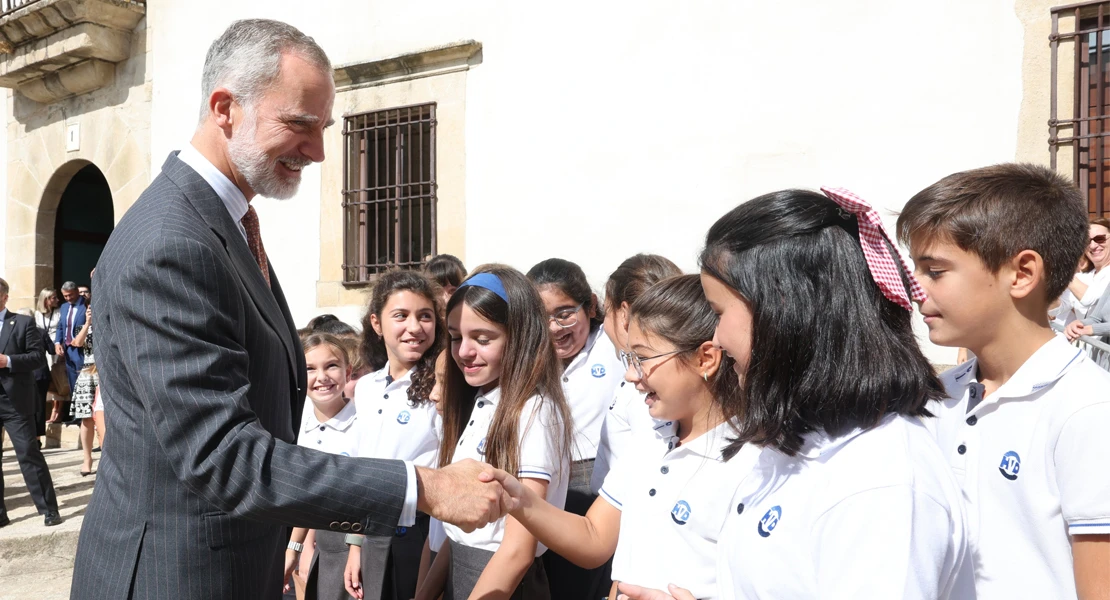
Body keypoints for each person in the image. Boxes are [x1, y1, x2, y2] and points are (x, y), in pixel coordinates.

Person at [71, 19, 511, 600]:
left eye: (325, 128)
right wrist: (423, 487)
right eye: (300, 125)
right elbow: (224, 457)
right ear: (225, 107)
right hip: (176, 576)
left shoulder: (219, 223)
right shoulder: (171, 243)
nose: (320, 151)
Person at [620, 187, 973, 600]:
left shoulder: (879, 479)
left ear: (785, 309)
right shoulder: (805, 442)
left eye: (719, 314)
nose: (715, 337)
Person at [898, 164, 1110, 600]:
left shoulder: (1087, 408)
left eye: (935, 271)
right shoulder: (938, 397)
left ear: (1022, 273)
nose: (915, 288)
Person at [487, 274, 758, 600]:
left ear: (705, 359)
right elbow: (594, 537)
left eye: (641, 358)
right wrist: (519, 499)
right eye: (628, 359)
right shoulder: (651, 438)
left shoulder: (753, 463)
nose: (631, 375)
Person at [415, 266, 574, 600]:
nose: (464, 352)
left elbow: (517, 550)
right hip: (463, 571)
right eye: (457, 337)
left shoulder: (533, 411)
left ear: (520, 335)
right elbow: (461, 531)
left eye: (483, 339)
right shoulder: (483, 400)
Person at [526, 258, 625, 600]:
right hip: (543, 485)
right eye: (543, 317)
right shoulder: (531, 360)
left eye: (565, 313)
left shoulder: (611, 347)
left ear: (591, 306)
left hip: (598, 485)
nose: (554, 327)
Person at [344, 270, 445, 600]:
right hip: (372, 534)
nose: (414, 328)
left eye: (425, 316)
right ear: (377, 323)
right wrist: (355, 545)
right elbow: (360, 468)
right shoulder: (367, 387)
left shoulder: (442, 389)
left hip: (421, 536)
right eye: (400, 316)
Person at [591, 254, 682, 493]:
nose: (602, 325)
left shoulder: (649, 388)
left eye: (606, 311)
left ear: (623, 313)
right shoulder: (644, 372)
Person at [283, 333, 361, 599]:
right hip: (319, 547)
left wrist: (355, 548)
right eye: (310, 369)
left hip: (356, 546)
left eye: (331, 366)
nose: (322, 377)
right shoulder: (298, 428)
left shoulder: (364, 423)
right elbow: (306, 498)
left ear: (348, 371)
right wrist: (294, 548)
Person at [0, 277, 62, 528]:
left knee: (28, 453)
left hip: (15, 401)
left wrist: (8, 361)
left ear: (4, 296)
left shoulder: (23, 323)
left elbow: (37, 358)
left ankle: (48, 509)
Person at [1062, 217, 1110, 322]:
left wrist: (1063, 271)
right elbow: (1061, 307)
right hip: (1081, 338)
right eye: (1087, 241)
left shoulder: (1073, 279)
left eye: (1099, 239)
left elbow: (1089, 298)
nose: (1092, 246)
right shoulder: (1082, 277)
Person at [70, 302, 98, 476]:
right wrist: (88, 323)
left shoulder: (112, 325)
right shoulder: (83, 327)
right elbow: (77, 343)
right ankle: (87, 458)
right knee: (86, 418)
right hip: (88, 373)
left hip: (107, 373)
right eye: (89, 310)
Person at [53, 280, 86, 420]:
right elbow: (61, 326)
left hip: (83, 350)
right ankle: (78, 416)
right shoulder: (64, 307)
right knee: (73, 382)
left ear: (77, 292)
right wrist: (57, 342)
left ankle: (86, 416)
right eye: (65, 296)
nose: (68, 298)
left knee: (83, 382)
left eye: (70, 295)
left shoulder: (87, 305)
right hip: (68, 350)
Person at [34, 287, 61, 425]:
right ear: (45, 300)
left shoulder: (59, 313)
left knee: (58, 379)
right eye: (53, 298)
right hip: (44, 351)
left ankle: (57, 410)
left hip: (55, 348)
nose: (57, 300)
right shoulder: (37, 315)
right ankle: (48, 410)